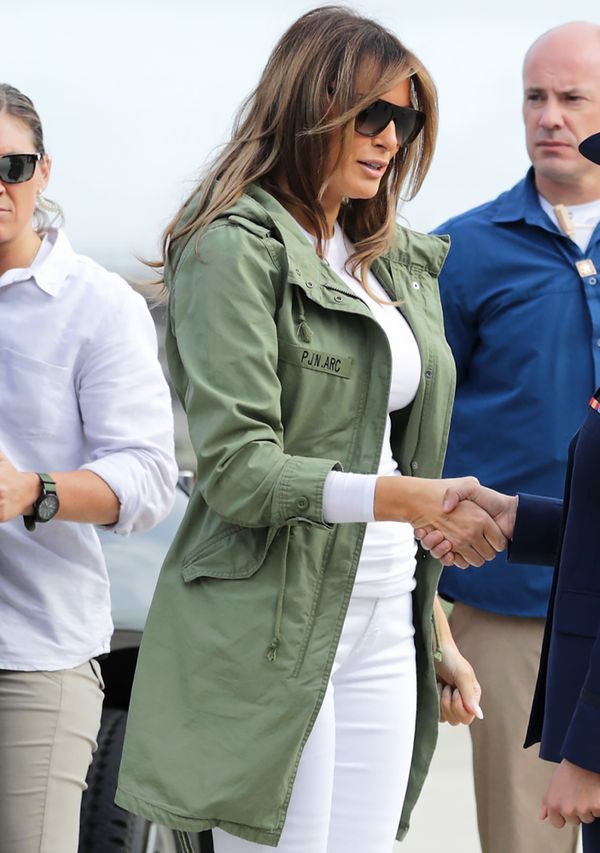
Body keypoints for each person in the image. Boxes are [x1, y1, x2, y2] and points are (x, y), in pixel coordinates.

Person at [114, 9, 506, 850]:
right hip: (270, 625)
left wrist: (432, 630)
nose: (390, 139)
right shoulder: (233, 248)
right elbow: (240, 472)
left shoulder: (387, 258)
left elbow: (392, 449)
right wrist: (414, 501)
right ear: (312, 103)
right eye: (372, 115)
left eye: (406, 120)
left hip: (382, 618)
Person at [431, 21, 600, 853]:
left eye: (571, 98)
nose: (550, 117)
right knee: (530, 838)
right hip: (512, 607)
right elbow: (415, 428)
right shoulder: (459, 252)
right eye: (535, 98)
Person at [0, 84, 178, 852]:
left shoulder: (98, 305)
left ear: (44, 171)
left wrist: (31, 490)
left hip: (31, 657)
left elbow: (146, 478)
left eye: (12, 164)